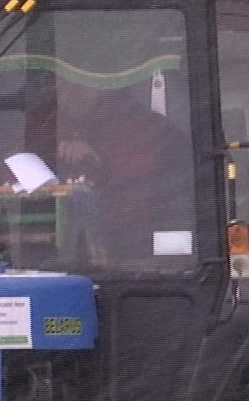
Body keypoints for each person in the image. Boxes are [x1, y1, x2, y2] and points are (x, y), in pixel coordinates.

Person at [52, 80, 195, 265]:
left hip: (136, 242)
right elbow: (12, 168)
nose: (72, 95)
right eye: (64, 86)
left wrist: (95, 158)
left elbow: (142, 184)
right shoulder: (49, 124)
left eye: (80, 85)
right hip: (62, 246)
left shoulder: (144, 127)